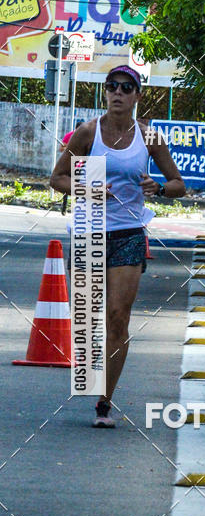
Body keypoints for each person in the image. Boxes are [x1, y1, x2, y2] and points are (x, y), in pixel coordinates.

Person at [50, 65, 185, 427]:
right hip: (89, 231)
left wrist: (159, 187)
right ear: (105, 92)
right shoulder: (87, 132)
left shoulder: (148, 137)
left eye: (127, 87)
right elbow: (57, 178)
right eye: (112, 86)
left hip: (128, 233)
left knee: (117, 318)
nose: (118, 93)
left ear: (137, 96)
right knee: (89, 320)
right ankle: (90, 376)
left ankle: (104, 401)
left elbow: (179, 184)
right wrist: (87, 189)